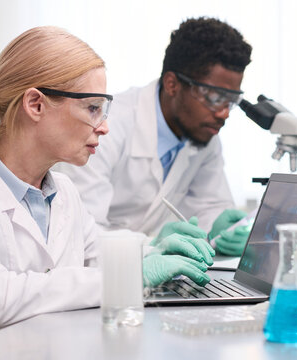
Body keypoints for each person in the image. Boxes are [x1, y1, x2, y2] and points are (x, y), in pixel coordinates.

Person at [0, 26, 213, 356]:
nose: (104, 126)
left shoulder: (63, 191)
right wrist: (130, 275)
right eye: (92, 108)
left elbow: (98, 257)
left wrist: (152, 249)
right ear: (35, 104)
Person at [58, 17, 253, 256]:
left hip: (149, 271)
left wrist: (218, 230)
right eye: (213, 97)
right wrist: (151, 246)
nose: (224, 113)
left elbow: (209, 207)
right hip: (97, 275)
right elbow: (80, 231)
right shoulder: (106, 126)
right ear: (172, 84)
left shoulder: (204, 135)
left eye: (231, 101)